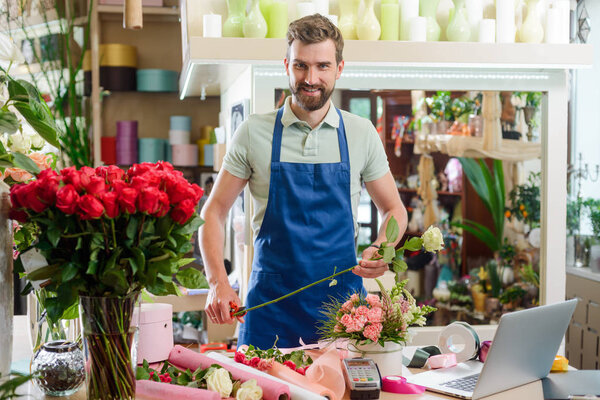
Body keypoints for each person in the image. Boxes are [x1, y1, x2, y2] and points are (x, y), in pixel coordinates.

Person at [200, 14, 407, 349]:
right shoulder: (253, 132)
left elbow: (394, 208)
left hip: (343, 314)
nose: (311, 78)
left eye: (323, 66)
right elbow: (214, 213)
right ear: (286, 66)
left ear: (339, 68)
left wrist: (384, 247)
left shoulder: (361, 133)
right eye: (301, 66)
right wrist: (217, 282)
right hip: (270, 311)